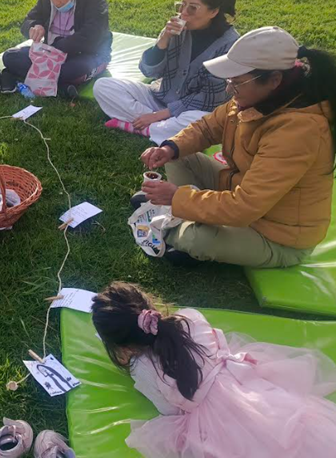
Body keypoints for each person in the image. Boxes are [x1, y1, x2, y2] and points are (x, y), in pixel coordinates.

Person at [140, 26, 335, 267]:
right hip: (238, 194)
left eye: (237, 82)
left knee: (193, 239)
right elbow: (207, 128)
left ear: (274, 80)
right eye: (230, 80)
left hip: (276, 237)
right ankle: (179, 214)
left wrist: (177, 197)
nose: (229, 89)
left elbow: (245, 208)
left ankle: (176, 219)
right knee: (178, 155)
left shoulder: (299, 130)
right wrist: (170, 148)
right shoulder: (252, 98)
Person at [92, 281, 336, 458]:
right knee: (291, 428)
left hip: (211, 423)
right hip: (243, 388)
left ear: (121, 345)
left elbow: (169, 410)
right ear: (149, 304)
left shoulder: (142, 369)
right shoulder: (191, 318)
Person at [95, 0, 239, 145]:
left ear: (214, 11)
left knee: (201, 120)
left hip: (194, 110)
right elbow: (149, 72)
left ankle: (145, 125)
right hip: (160, 97)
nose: (183, 13)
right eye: (182, 5)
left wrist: (158, 115)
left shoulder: (229, 44)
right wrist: (163, 41)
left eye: (192, 8)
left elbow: (209, 99)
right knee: (103, 86)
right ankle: (161, 129)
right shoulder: (176, 30)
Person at [0, 0, 112, 97]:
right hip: (52, 54)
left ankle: (53, 81)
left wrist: (58, 46)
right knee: (10, 57)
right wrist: (34, 26)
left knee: (71, 71)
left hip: (87, 53)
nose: (56, 2)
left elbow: (93, 33)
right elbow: (30, 18)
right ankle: (62, 86)